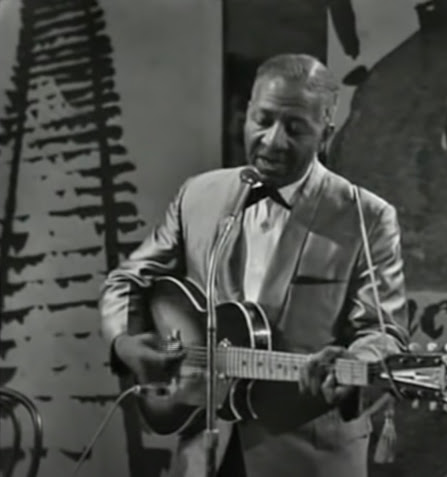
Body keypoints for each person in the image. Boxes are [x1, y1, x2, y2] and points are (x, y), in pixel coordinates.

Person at [98, 53, 409, 477]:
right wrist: (124, 343)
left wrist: (355, 361)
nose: (273, 141)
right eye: (262, 120)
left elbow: (385, 331)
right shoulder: (199, 195)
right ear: (245, 114)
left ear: (325, 134)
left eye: (295, 128)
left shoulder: (366, 216)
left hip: (309, 461)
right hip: (202, 454)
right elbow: (126, 279)